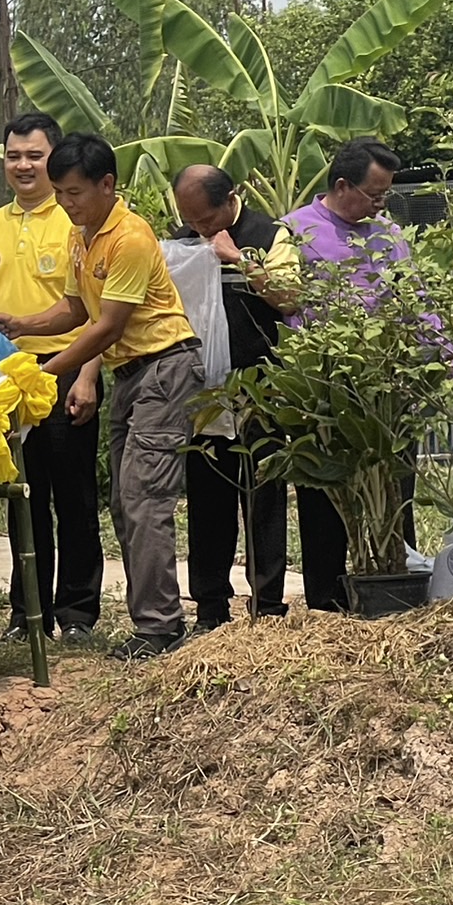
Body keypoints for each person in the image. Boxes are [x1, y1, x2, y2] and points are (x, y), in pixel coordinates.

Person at [0, 134, 200, 661]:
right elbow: (73, 311)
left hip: (165, 367)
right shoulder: (83, 238)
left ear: (108, 184)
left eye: (75, 192)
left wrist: (44, 374)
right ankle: (153, 620)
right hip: (133, 375)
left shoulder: (129, 237)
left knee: (143, 497)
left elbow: (107, 326)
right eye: (59, 192)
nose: (65, 202)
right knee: (125, 502)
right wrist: (20, 325)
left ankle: (160, 628)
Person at [0, 113, 104, 644]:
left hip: (67, 369)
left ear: (56, 157)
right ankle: (27, 615)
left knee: (74, 496)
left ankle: (77, 614)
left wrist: (87, 376)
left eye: (34, 155)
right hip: (5, 380)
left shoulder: (76, 220)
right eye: (14, 156)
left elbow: (98, 310)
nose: (23, 165)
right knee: (22, 495)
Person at [282, 137, 423, 611]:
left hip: (384, 389)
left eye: (385, 195)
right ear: (343, 185)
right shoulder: (294, 232)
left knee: (392, 489)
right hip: (324, 387)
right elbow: (285, 305)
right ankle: (325, 601)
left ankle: (388, 591)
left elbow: (413, 303)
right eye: (374, 194)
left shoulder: (387, 233)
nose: (380, 204)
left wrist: (451, 360)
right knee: (325, 494)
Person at [173, 164, 297, 631]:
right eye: (191, 221)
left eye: (206, 219)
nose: (200, 229)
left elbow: (290, 297)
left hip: (261, 386)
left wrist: (237, 258)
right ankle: (210, 608)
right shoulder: (182, 237)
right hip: (204, 391)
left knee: (264, 495)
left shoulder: (270, 234)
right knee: (208, 498)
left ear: (231, 198)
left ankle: (267, 605)